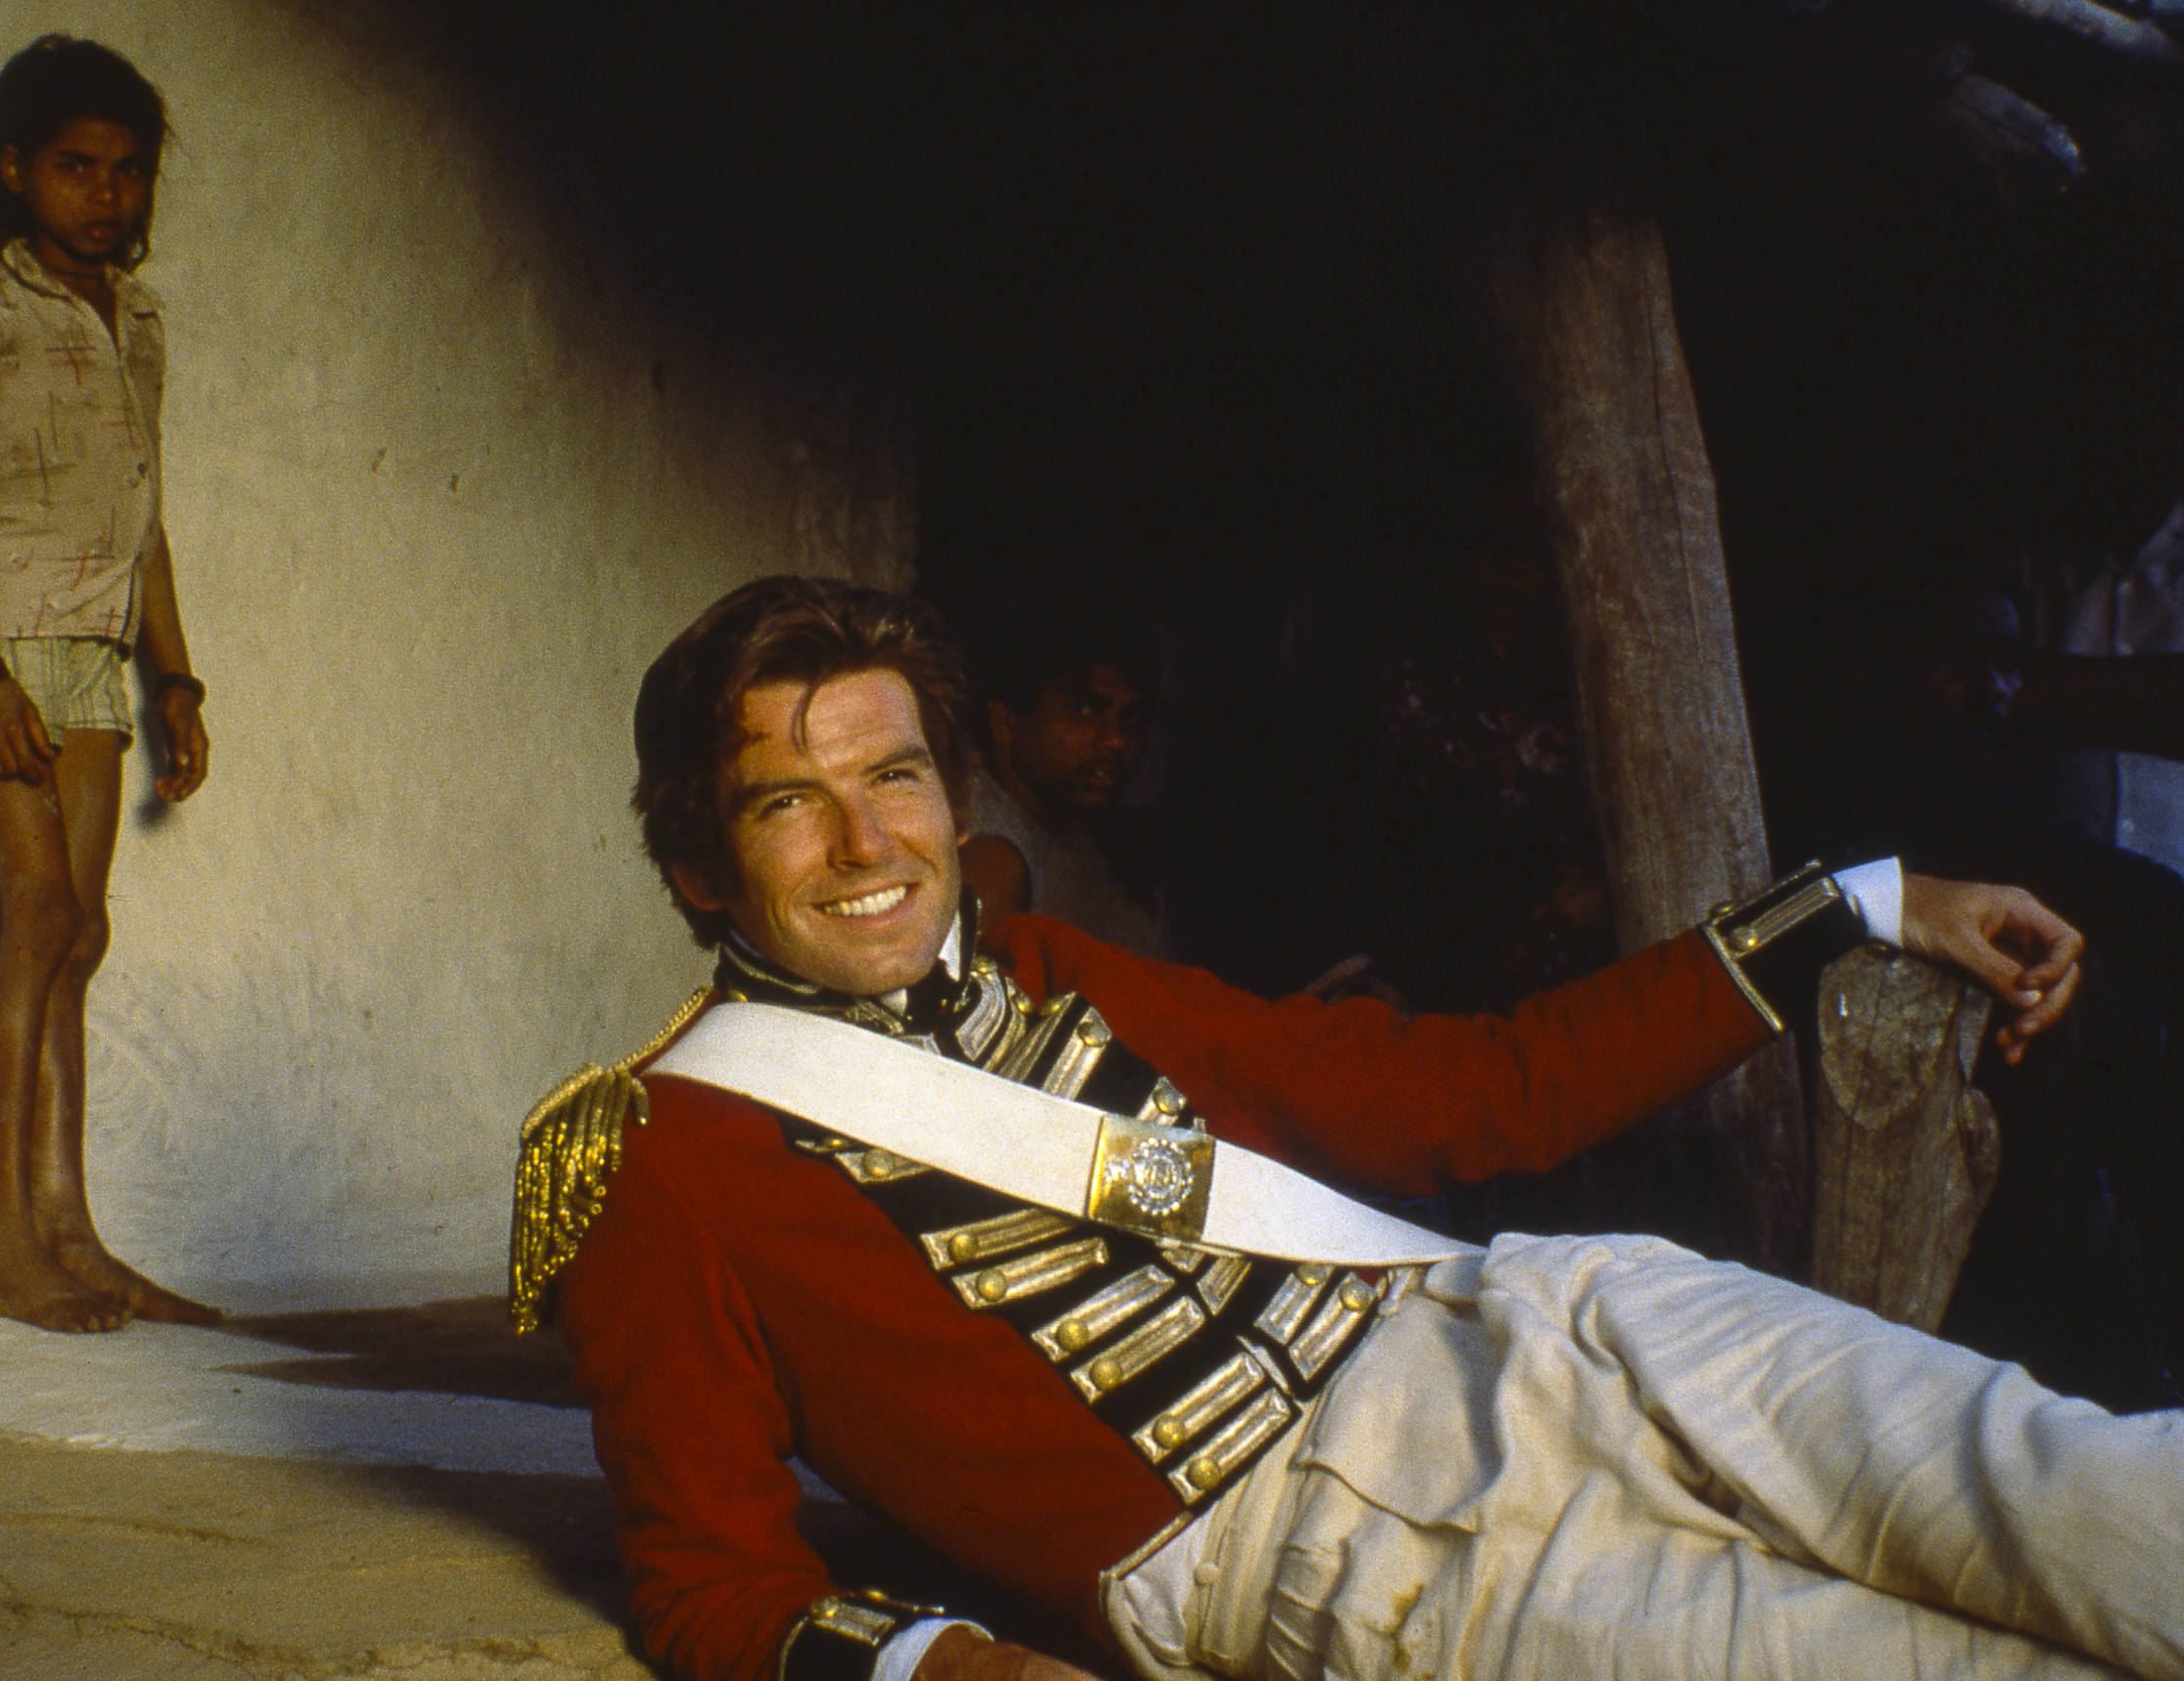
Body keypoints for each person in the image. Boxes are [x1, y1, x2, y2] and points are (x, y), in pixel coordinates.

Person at [513, 576, 2180, 1681]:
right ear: (699, 865)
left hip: (1544, 1317)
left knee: (2089, 1491)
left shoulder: (1045, 964)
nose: (865, 836)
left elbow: (1472, 1093)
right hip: (1337, 1542)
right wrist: (944, 1660)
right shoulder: (665, 1163)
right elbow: (709, 1577)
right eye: (788, 798)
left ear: (955, 795)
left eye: (894, 776)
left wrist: (1860, 901)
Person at [0, 36, 218, 1334]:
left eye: (127, 170)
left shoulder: (137, 322)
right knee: (36, 917)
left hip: (96, 657)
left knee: (80, 934)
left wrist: (179, 678)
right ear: (17, 172)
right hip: (3, 654)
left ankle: (73, 1232)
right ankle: (1, 1247)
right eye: (77, 167)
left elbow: (145, 517)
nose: (105, 192)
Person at [961, 604, 1173, 958]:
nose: (1116, 740)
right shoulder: (992, 857)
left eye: (1131, 719)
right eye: (1084, 710)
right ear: (1005, 722)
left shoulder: (1075, 837)